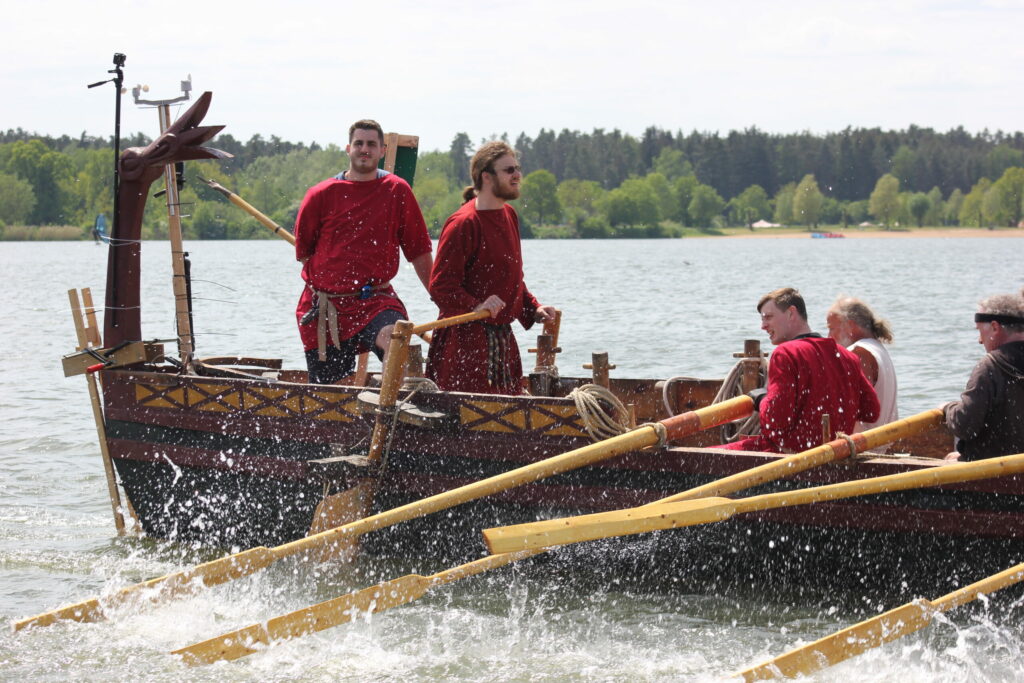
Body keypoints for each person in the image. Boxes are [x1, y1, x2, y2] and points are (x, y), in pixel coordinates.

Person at [294, 119, 433, 384]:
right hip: (325, 308)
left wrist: (438, 296)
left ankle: (394, 406)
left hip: (375, 299)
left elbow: (419, 252)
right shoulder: (320, 194)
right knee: (333, 395)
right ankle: (365, 397)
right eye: (359, 143)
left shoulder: (397, 190)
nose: (364, 149)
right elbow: (304, 253)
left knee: (396, 338)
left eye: (371, 144)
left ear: (382, 151)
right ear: (348, 148)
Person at [425, 141, 556, 394]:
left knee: (508, 418)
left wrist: (533, 307)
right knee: (466, 425)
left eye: (517, 168)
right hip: (463, 347)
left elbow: (509, 278)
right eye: (509, 170)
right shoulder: (463, 223)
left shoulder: (510, 215)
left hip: (501, 344)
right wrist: (476, 305)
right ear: (486, 176)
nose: (517, 175)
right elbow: (440, 287)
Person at [718, 287, 880, 453]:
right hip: (835, 457)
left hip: (788, 459)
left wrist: (761, 399)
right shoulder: (848, 357)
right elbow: (871, 412)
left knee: (696, 458)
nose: (763, 326)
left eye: (768, 317)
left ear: (791, 313)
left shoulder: (786, 353)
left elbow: (776, 420)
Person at [942, 289, 1024, 461]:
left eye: (980, 331)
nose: (980, 340)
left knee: (950, 459)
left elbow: (965, 425)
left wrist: (948, 408)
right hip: (1016, 468)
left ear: (995, 327)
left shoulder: (990, 366)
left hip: (994, 474)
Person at [826, 296, 898, 434]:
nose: (829, 337)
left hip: (865, 448)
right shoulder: (878, 348)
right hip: (882, 442)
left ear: (851, 326)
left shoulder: (858, 352)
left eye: (831, 328)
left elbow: (849, 409)